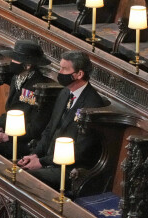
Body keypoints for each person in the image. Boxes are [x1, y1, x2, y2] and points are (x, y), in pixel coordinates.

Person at [18, 50, 106, 190]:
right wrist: (35, 154)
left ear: (79, 74)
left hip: (69, 168)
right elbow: (50, 128)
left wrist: (41, 162)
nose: (59, 72)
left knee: (25, 178)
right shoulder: (65, 92)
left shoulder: (92, 104)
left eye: (64, 69)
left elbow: (81, 150)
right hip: (49, 160)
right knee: (16, 168)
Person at [0, 39, 53, 158]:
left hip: (25, 140)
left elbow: (36, 127)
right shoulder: (16, 78)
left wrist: (9, 136)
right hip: (10, 132)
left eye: (15, 59)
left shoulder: (38, 87)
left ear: (27, 65)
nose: (11, 62)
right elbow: (10, 111)